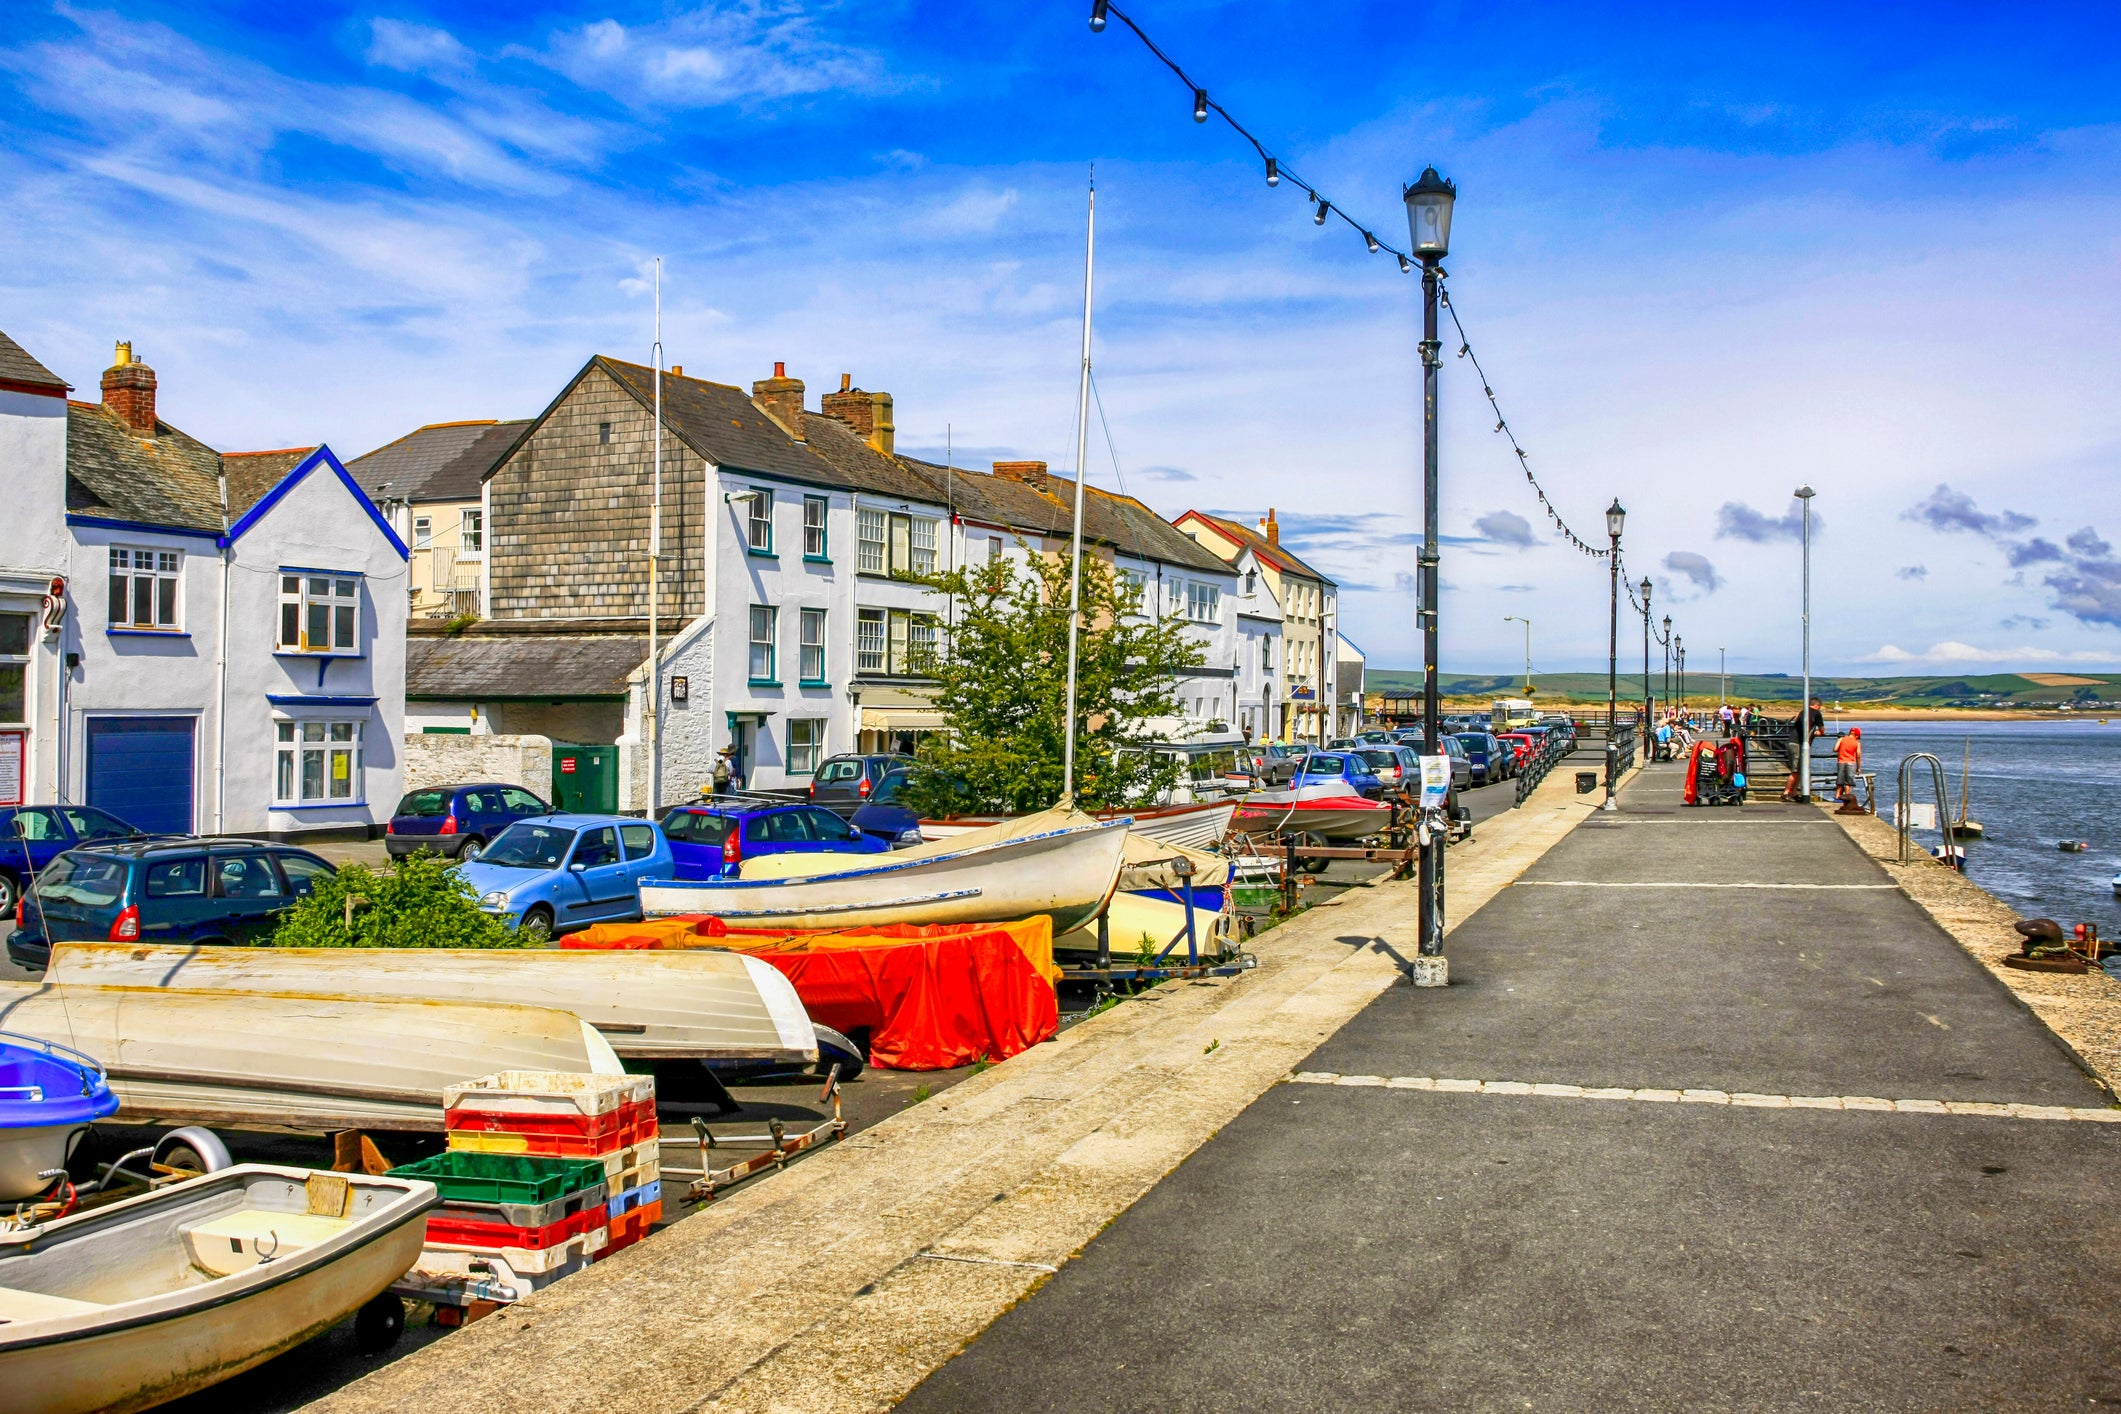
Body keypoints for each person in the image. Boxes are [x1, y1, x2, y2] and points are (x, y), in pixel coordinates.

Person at [1834, 728, 1864, 810]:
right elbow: (1858, 755)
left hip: (1841, 761)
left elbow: (1835, 749)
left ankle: (1837, 797)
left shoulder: (1842, 739)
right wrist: (1859, 767)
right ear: (1857, 735)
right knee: (1848, 782)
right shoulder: (1857, 743)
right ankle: (1846, 798)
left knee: (1840, 780)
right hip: (1851, 762)